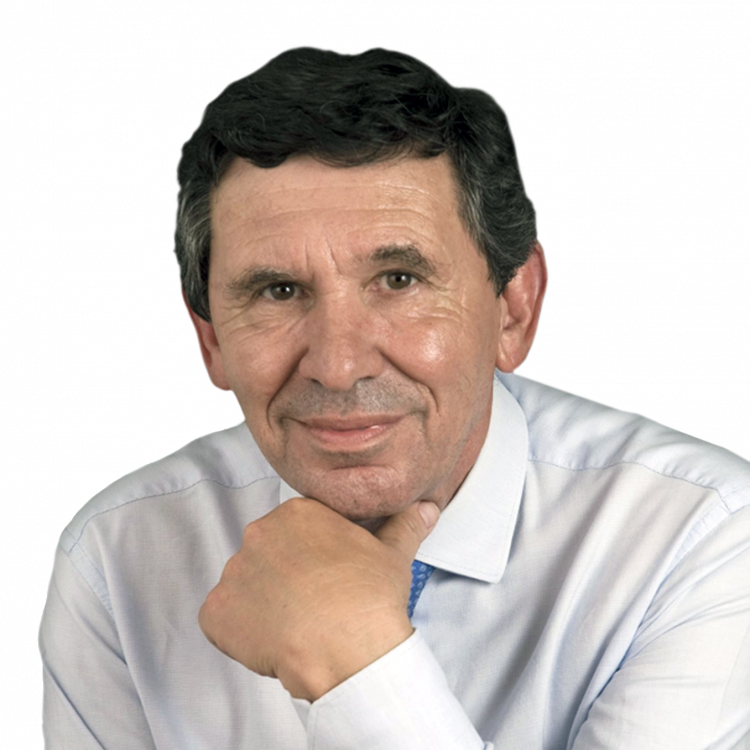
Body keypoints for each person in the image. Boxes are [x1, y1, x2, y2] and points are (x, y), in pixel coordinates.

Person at [39, 45, 749, 749]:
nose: (338, 367)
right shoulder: (116, 560)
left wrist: (360, 663)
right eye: (279, 291)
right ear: (210, 338)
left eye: (399, 281)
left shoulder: (704, 536)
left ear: (513, 308)